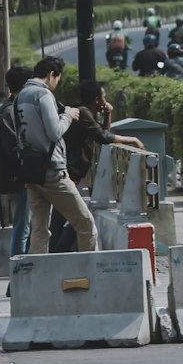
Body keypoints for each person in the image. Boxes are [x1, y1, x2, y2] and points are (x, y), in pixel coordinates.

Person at [13, 56, 97, 254]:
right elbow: (54, 131)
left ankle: (39, 279)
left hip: (32, 172)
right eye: (57, 79)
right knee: (85, 224)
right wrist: (68, 115)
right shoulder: (43, 95)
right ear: (52, 75)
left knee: (40, 230)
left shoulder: (20, 97)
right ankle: (91, 274)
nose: (56, 84)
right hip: (53, 172)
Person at [51, 80, 144, 252]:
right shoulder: (83, 114)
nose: (105, 99)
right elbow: (102, 137)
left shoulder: (84, 113)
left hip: (70, 173)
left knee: (60, 218)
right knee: (80, 219)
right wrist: (131, 139)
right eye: (104, 96)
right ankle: (58, 254)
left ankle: (53, 254)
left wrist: (108, 115)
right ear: (96, 99)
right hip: (70, 173)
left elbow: (102, 134)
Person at [0, 65, 32, 257]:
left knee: (27, 223)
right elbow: (12, 147)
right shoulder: (9, 112)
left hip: (22, 174)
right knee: (22, 224)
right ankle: (18, 266)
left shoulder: (12, 109)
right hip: (20, 176)